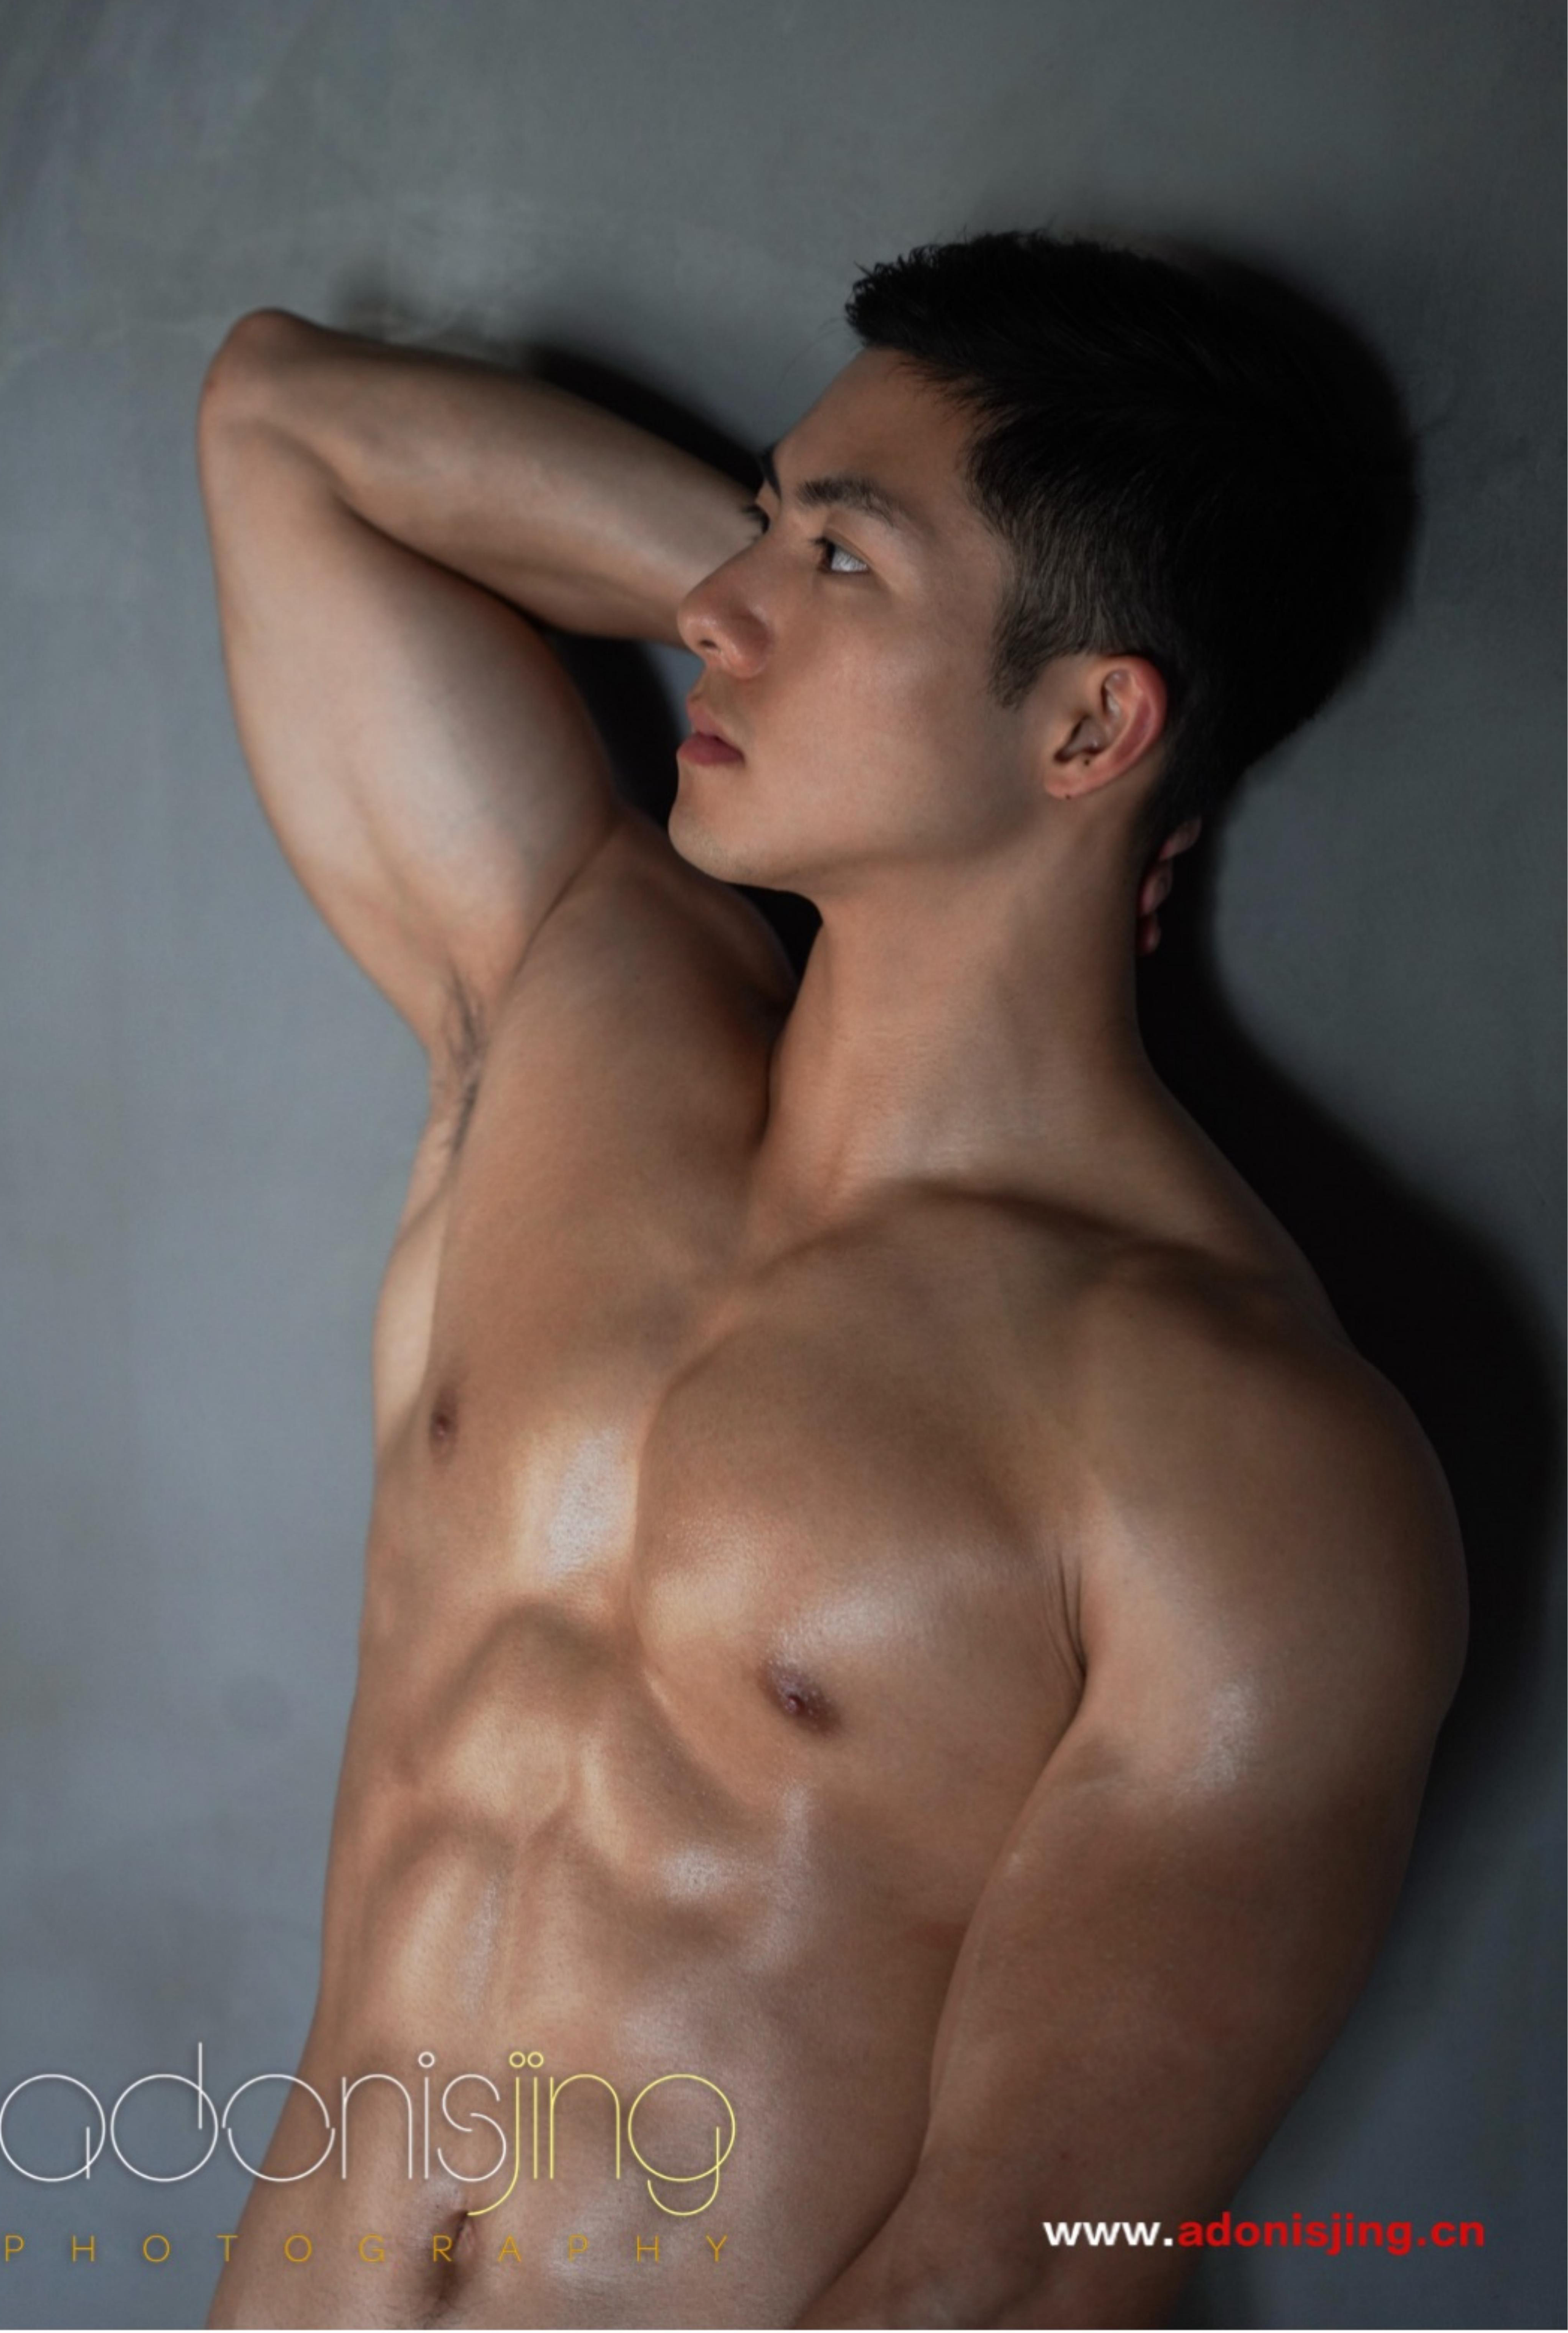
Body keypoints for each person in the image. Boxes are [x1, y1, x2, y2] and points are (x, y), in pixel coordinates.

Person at [194, 231, 1465, 2331]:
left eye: (839, 559)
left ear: (1094, 724)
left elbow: (1028, 2273)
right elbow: (284, 430)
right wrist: (877, 644)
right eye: (763, 522)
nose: (715, 606)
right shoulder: (574, 1024)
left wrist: (992, 688)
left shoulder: (1235, 1448)